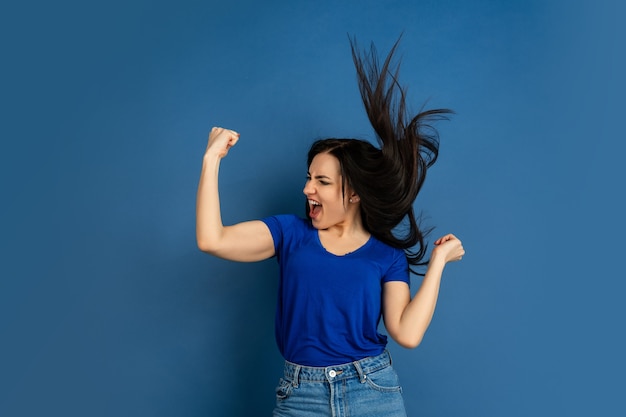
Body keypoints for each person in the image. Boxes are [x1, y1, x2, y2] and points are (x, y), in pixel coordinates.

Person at [196, 37, 465, 417]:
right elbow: (212, 239)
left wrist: (437, 264)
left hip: (373, 389)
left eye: (321, 181)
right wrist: (211, 160)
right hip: (300, 395)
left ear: (353, 192)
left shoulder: (386, 256)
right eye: (309, 178)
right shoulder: (290, 234)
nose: (307, 188)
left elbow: (406, 332)